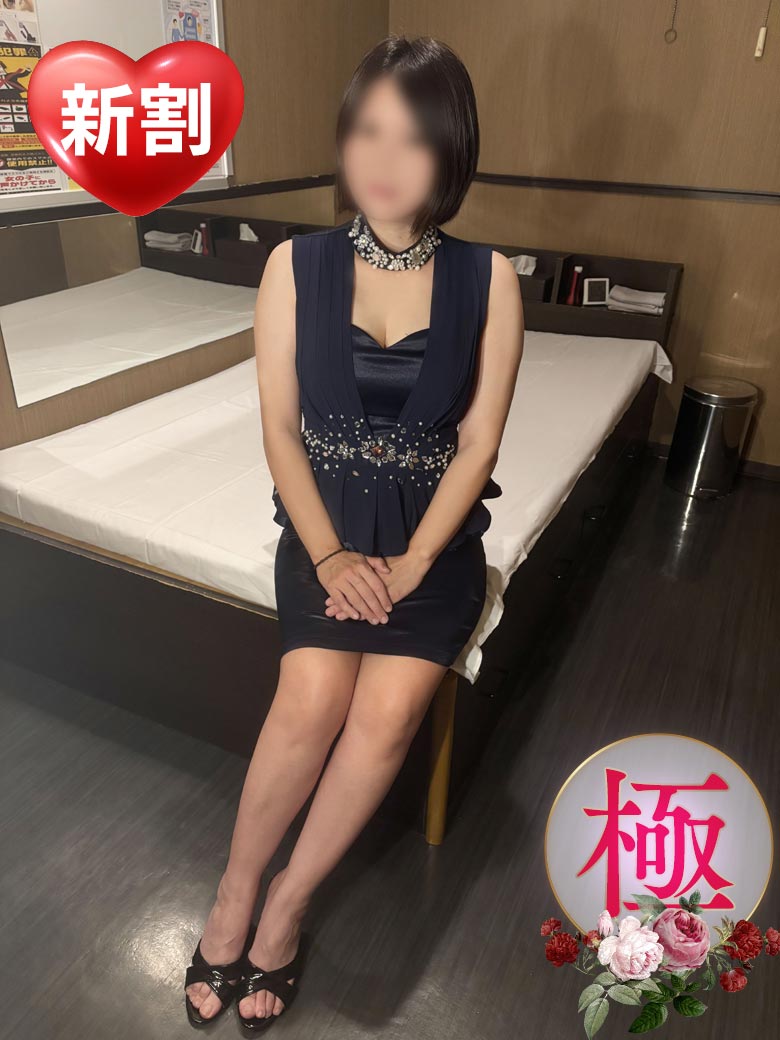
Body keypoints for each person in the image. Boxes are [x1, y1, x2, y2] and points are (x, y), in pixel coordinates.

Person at [184, 34, 524, 1033]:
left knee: (387, 713)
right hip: (323, 529)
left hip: (432, 546)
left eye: (413, 137)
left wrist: (411, 563)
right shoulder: (294, 265)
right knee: (311, 696)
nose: (384, 158)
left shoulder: (491, 278)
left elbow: (478, 444)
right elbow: (279, 430)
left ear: (450, 154)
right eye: (368, 129)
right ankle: (235, 892)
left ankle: (286, 909)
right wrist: (332, 555)